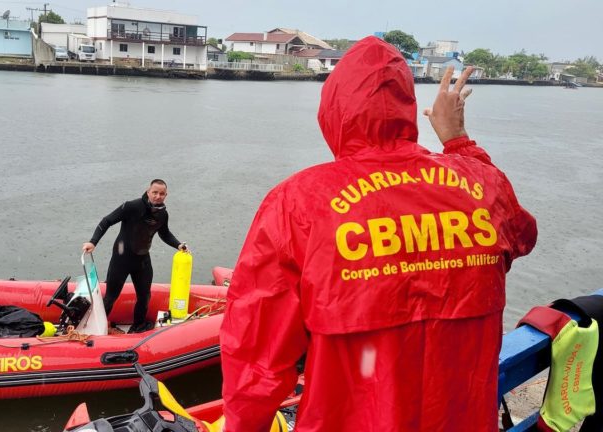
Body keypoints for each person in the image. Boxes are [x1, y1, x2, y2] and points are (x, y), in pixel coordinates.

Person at [219, 36, 537, 431]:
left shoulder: (298, 203)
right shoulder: (480, 184)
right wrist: (458, 142)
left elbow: (256, 352)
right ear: (406, 105)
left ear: (334, 110)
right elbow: (521, 234)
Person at [82, 179, 187, 333]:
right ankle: (96, 328)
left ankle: (138, 326)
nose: (158, 196)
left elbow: (164, 233)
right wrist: (93, 242)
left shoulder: (162, 214)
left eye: (162, 194)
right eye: (155, 192)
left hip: (142, 259)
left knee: (144, 297)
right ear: (148, 191)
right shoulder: (132, 206)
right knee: (111, 296)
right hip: (122, 258)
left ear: (166, 195)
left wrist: (178, 245)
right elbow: (107, 221)